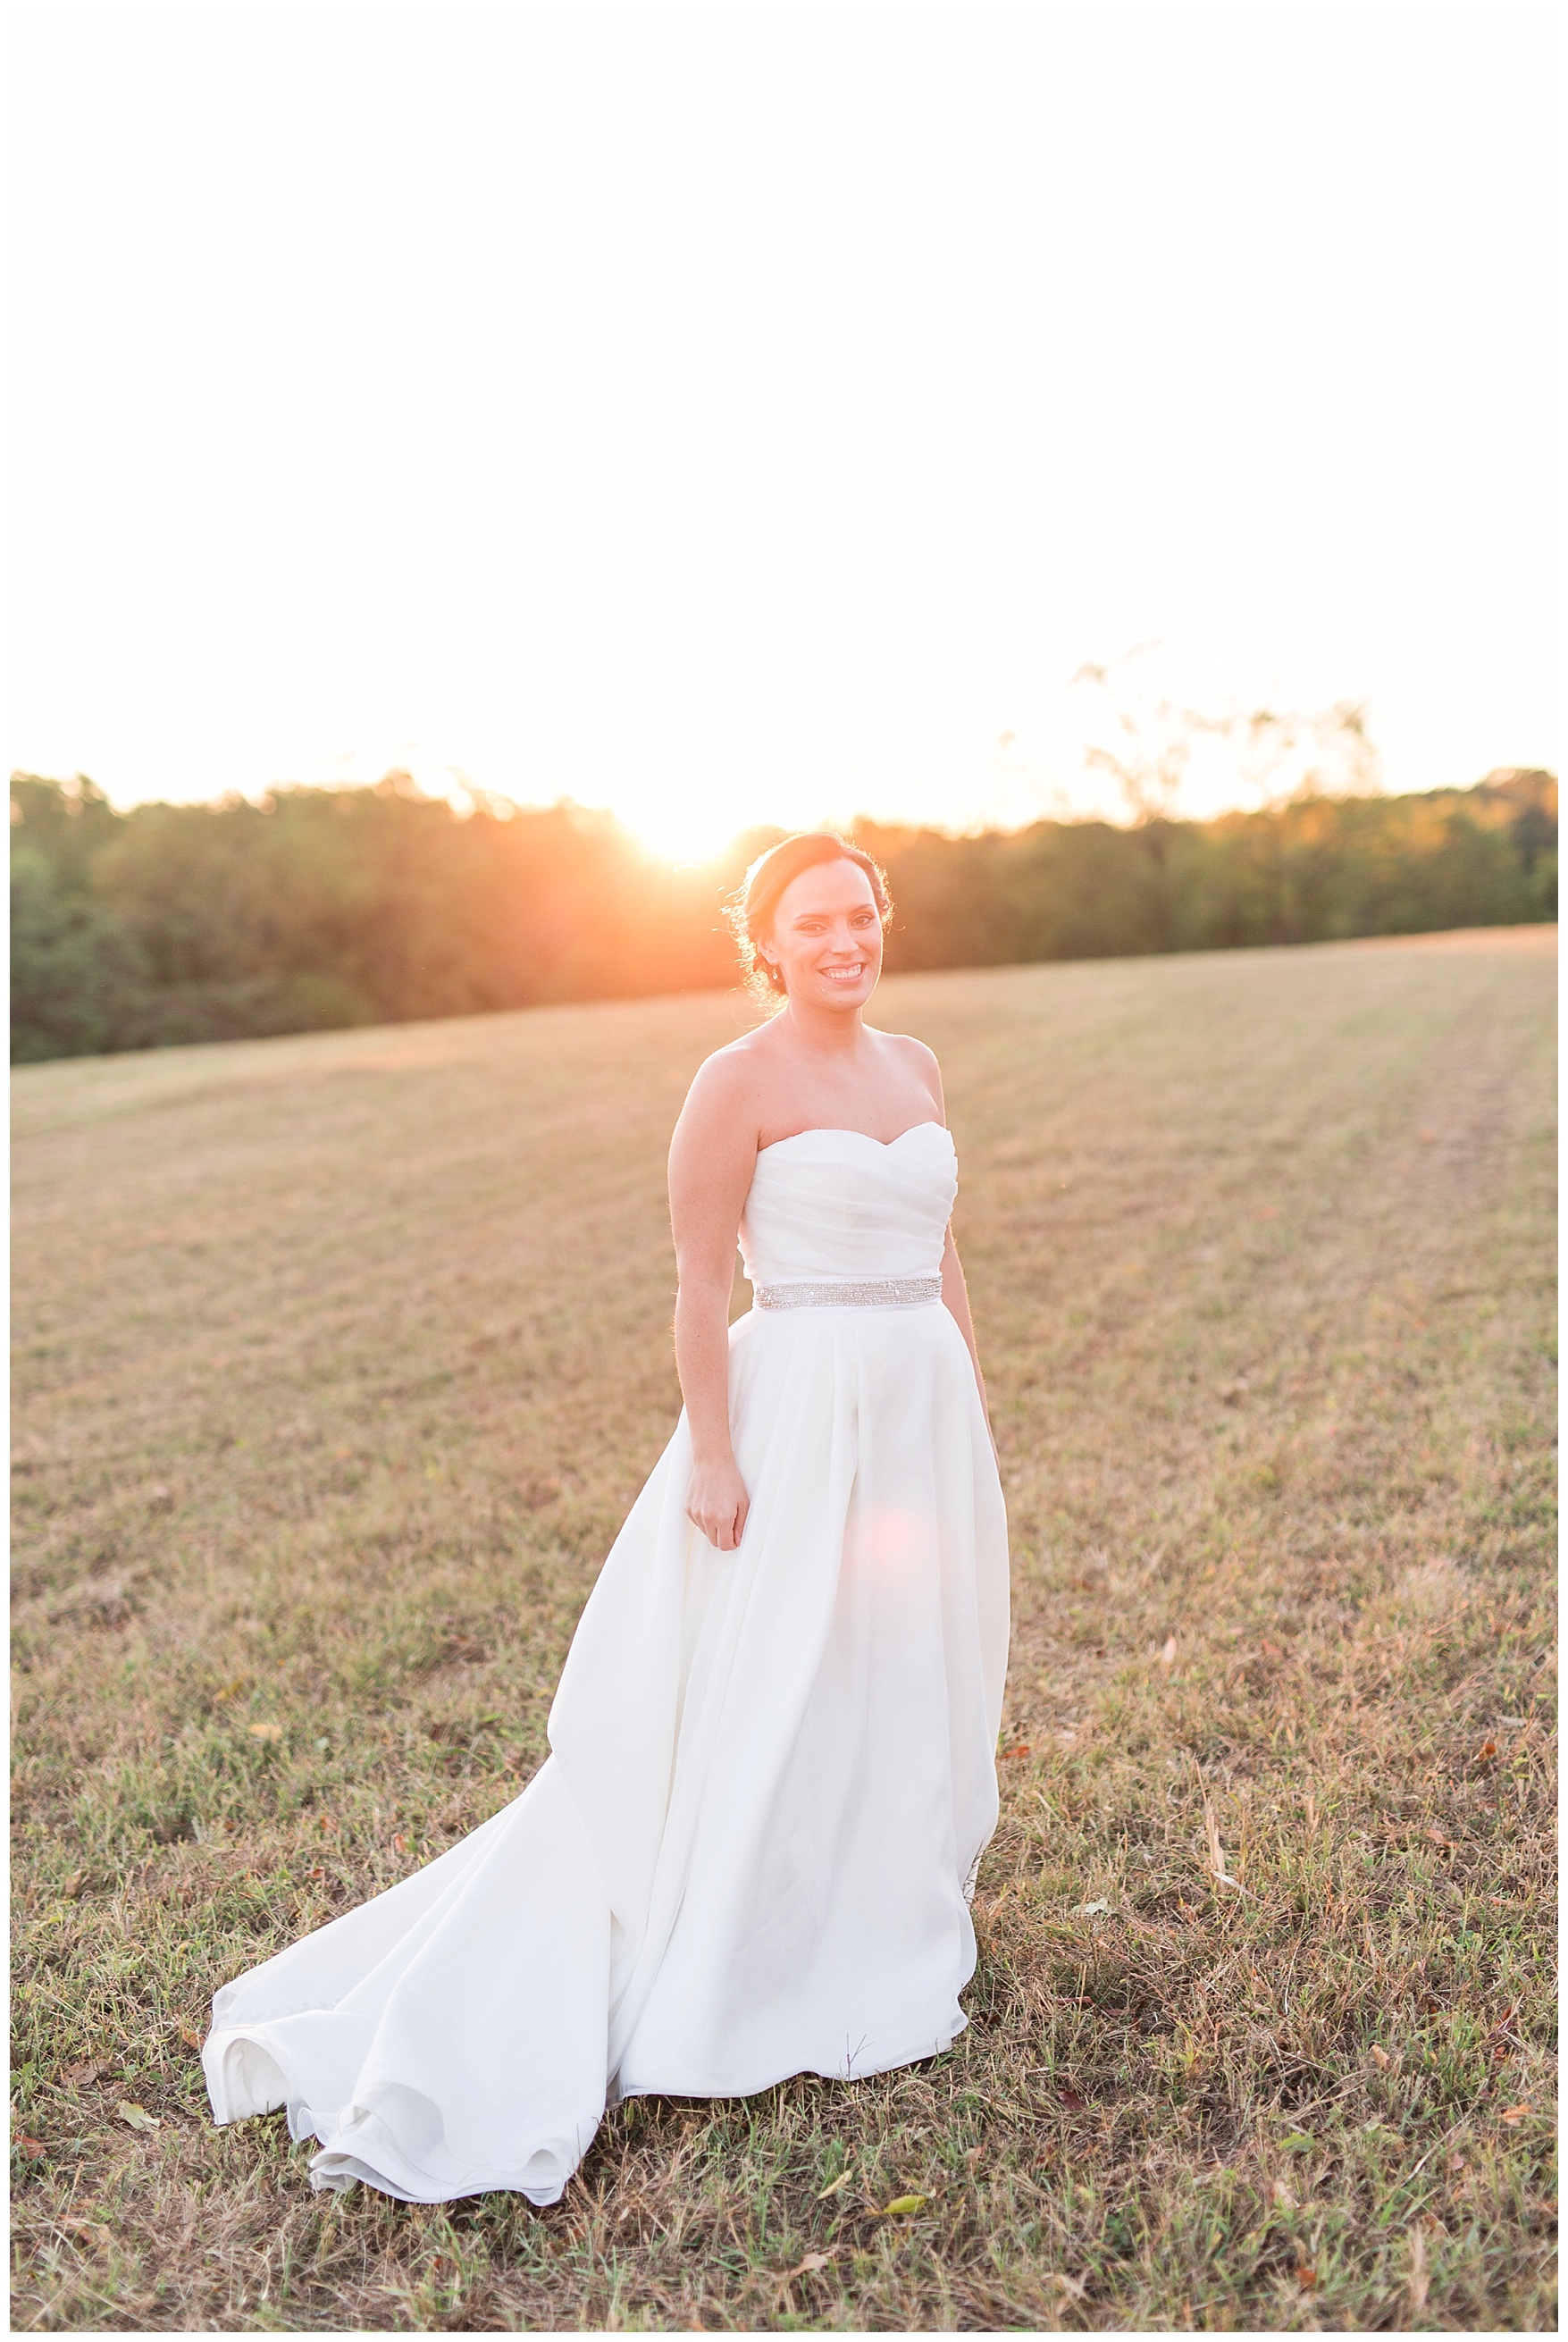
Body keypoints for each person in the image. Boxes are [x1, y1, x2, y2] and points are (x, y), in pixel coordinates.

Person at [202, 831, 1010, 2205]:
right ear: (767, 942)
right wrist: (713, 1451)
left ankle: (875, 1913)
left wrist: (973, 1408)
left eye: (858, 917)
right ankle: (740, 1955)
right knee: (778, 1680)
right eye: (811, 923)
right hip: (796, 1411)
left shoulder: (917, 1067)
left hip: (919, 1411)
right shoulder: (734, 1080)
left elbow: (941, 1253)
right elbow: (701, 1286)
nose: (841, 941)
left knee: (893, 1670)